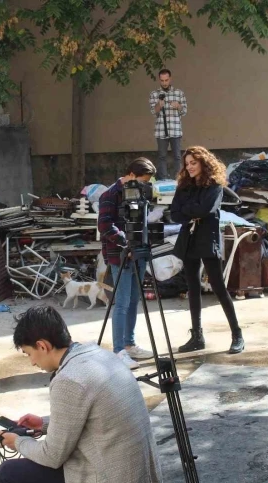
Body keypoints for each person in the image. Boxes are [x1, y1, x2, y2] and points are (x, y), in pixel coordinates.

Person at [0, 305, 162, 483]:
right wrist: (43, 424)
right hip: (140, 473)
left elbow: (52, 456)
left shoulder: (69, 380)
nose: (32, 362)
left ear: (42, 346)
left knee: (9, 472)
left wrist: (18, 442)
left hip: (109, 476)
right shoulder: (103, 355)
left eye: (29, 354)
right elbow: (95, 418)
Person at [170, 146, 245, 354]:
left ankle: (237, 334)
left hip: (207, 238)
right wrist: (192, 211)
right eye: (187, 164)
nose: (189, 167)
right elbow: (174, 213)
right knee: (192, 288)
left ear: (204, 163)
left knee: (218, 287)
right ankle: (197, 336)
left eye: (193, 163)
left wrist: (188, 210)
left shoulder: (215, 186)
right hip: (189, 238)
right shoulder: (184, 186)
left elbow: (205, 209)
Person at [98, 158, 157, 369]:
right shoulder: (110, 195)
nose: (144, 185)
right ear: (131, 174)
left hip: (138, 254)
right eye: (142, 180)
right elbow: (104, 225)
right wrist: (125, 242)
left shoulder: (140, 193)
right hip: (120, 255)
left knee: (133, 301)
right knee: (122, 303)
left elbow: (141, 221)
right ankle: (118, 350)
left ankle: (129, 344)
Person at [149, 68, 187, 179]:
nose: (164, 83)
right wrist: (159, 105)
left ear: (170, 79)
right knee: (162, 157)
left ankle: (178, 179)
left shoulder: (179, 93)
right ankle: (164, 179)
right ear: (159, 80)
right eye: (162, 80)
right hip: (161, 130)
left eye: (166, 80)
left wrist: (178, 106)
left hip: (175, 129)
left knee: (177, 156)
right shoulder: (154, 94)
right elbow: (153, 112)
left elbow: (184, 111)